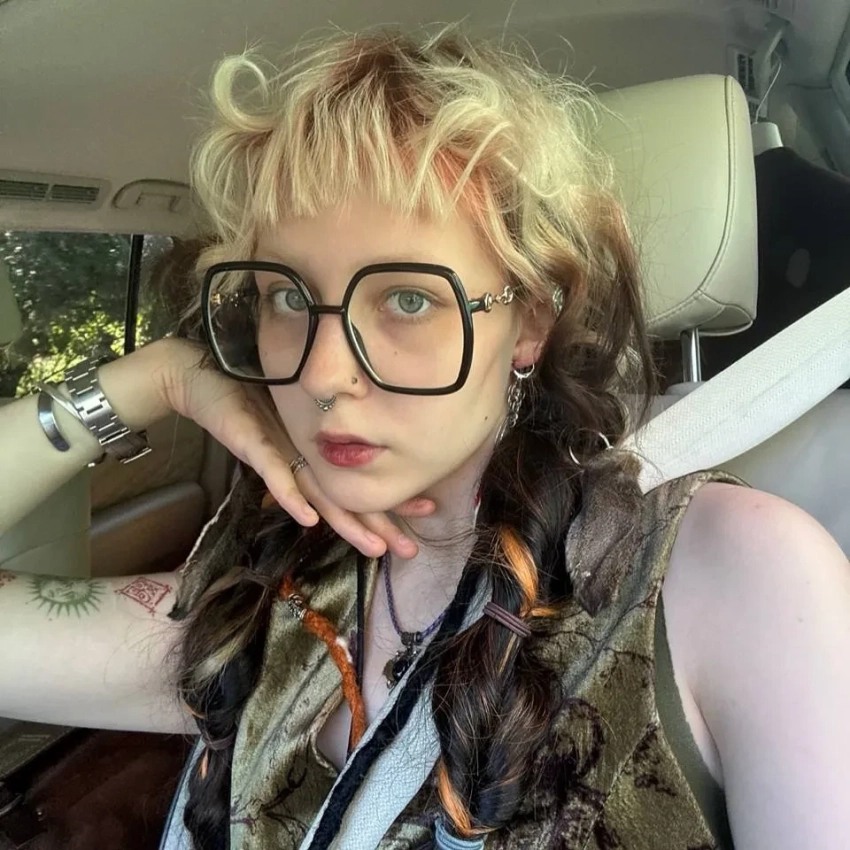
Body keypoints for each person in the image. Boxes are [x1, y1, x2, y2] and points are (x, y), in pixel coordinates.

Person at [1, 26, 848, 850]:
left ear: (530, 322)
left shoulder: (732, 576)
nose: (323, 374)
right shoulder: (258, 599)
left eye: (408, 298)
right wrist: (154, 380)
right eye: (287, 297)